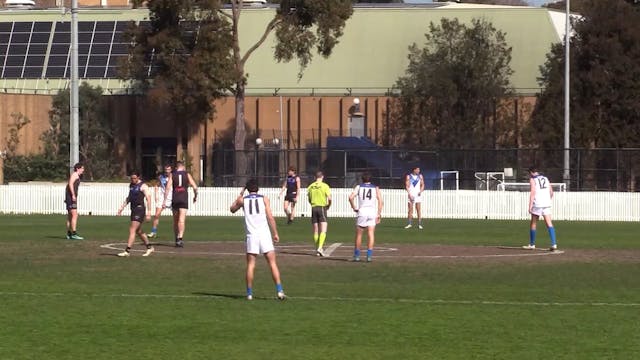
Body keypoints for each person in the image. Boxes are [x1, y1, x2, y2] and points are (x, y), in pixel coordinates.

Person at [230, 179, 286, 301]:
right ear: (258, 188)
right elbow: (270, 217)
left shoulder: (243, 200)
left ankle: (249, 293)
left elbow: (232, 209)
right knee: (272, 263)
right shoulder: (264, 199)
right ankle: (279, 291)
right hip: (264, 234)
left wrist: (240, 193)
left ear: (248, 189)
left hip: (252, 236)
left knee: (251, 265)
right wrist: (275, 233)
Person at [116, 171, 154, 257]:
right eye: (132, 178)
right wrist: (121, 208)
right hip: (133, 209)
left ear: (138, 177)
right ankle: (149, 247)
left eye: (134, 178)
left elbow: (148, 198)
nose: (133, 180)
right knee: (139, 231)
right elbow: (129, 198)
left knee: (132, 229)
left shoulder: (143, 186)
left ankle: (127, 251)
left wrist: (149, 212)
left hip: (140, 209)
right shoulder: (131, 185)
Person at [348, 173, 383, 262]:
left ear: (362, 179)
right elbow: (380, 201)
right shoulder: (375, 188)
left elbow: (351, 197)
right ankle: (369, 256)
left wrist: (354, 207)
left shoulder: (359, 187)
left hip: (362, 212)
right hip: (372, 212)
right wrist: (378, 214)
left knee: (359, 234)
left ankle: (357, 256)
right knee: (371, 234)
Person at [163, 161, 198, 247]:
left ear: (176, 167)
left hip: (175, 198)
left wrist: (164, 201)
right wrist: (195, 196)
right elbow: (195, 187)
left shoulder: (172, 174)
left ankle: (176, 238)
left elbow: (167, 187)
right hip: (183, 199)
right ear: (183, 166)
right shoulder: (187, 174)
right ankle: (180, 238)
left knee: (175, 220)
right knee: (182, 219)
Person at [523, 166, 558, 251]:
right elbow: (551, 192)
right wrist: (547, 200)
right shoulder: (545, 178)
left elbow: (533, 192)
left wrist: (530, 206)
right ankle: (554, 244)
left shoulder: (532, 180)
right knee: (549, 223)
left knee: (533, 222)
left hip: (537, 203)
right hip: (546, 203)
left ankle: (532, 244)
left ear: (531, 172)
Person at [307, 171, 332, 257]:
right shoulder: (325, 186)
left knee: (316, 230)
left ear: (315, 177)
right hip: (322, 207)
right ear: (322, 177)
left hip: (314, 208)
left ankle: (318, 249)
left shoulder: (311, 186)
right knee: (324, 229)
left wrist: (313, 203)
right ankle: (320, 247)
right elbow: (329, 198)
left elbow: (309, 199)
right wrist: (329, 205)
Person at [147, 164, 173, 238]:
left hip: (172, 197)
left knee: (176, 216)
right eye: (166, 170)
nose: (167, 171)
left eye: (168, 170)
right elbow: (157, 185)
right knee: (156, 215)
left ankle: (178, 234)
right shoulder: (161, 177)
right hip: (162, 198)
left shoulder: (174, 177)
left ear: (171, 170)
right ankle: (153, 231)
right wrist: (156, 195)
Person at [65, 162, 85, 240]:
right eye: (82, 168)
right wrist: (73, 195)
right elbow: (70, 183)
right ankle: (74, 233)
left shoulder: (77, 176)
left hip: (70, 197)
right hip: (70, 197)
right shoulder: (74, 175)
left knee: (70, 216)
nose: (83, 170)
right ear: (78, 168)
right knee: (74, 215)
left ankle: (69, 233)